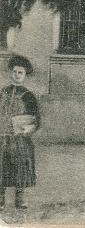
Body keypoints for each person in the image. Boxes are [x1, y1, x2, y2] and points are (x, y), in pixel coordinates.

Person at [0, 55, 39, 210]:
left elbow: (36, 119)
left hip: (20, 138)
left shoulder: (28, 95)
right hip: (2, 136)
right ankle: (0, 197)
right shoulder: (2, 92)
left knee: (20, 166)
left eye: (20, 73)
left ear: (25, 75)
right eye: (15, 72)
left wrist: (28, 128)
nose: (17, 75)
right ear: (11, 73)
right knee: (1, 165)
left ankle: (20, 197)